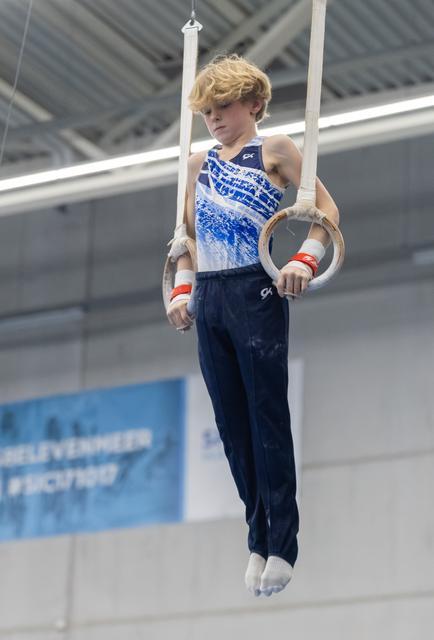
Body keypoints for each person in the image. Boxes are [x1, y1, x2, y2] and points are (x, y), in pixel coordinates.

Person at [167, 54, 339, 597]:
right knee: (231, 428)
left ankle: (283, 542)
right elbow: (187, 243)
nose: (214, 118)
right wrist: (182, 290)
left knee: (266, 417)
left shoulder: (276, 150)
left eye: (223, 107)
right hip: (211, 299)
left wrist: (302, 262)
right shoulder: (196, 164)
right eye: (207, 112)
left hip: (255, 287)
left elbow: (328, 215)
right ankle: (257, 535)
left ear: (254, 105)